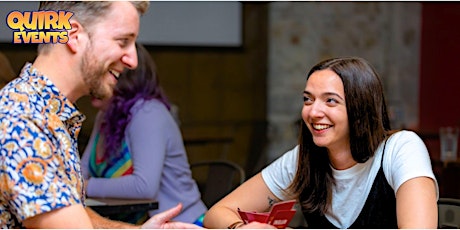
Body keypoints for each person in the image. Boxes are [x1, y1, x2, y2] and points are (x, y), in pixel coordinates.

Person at [0, 2, 199, 229]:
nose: (133, 60)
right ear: (74, 36)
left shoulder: (45, 113)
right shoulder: (23, 120)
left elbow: (70, 212)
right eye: (122, 41)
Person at [203, 57, 439, 229]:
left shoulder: (401, 149)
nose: (313, 112)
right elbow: (217, 214)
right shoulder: (303, 159)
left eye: (330, 101)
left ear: (359, 108)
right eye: (308, 99)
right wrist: (241, 228)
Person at [80, 43, 207, 225]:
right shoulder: (105, 115)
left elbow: (143, 187)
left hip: (179, 224)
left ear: (122, 78)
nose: (90, 82)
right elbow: (81, 172)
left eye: (101, 73)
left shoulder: (147, 113)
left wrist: (85, 186)